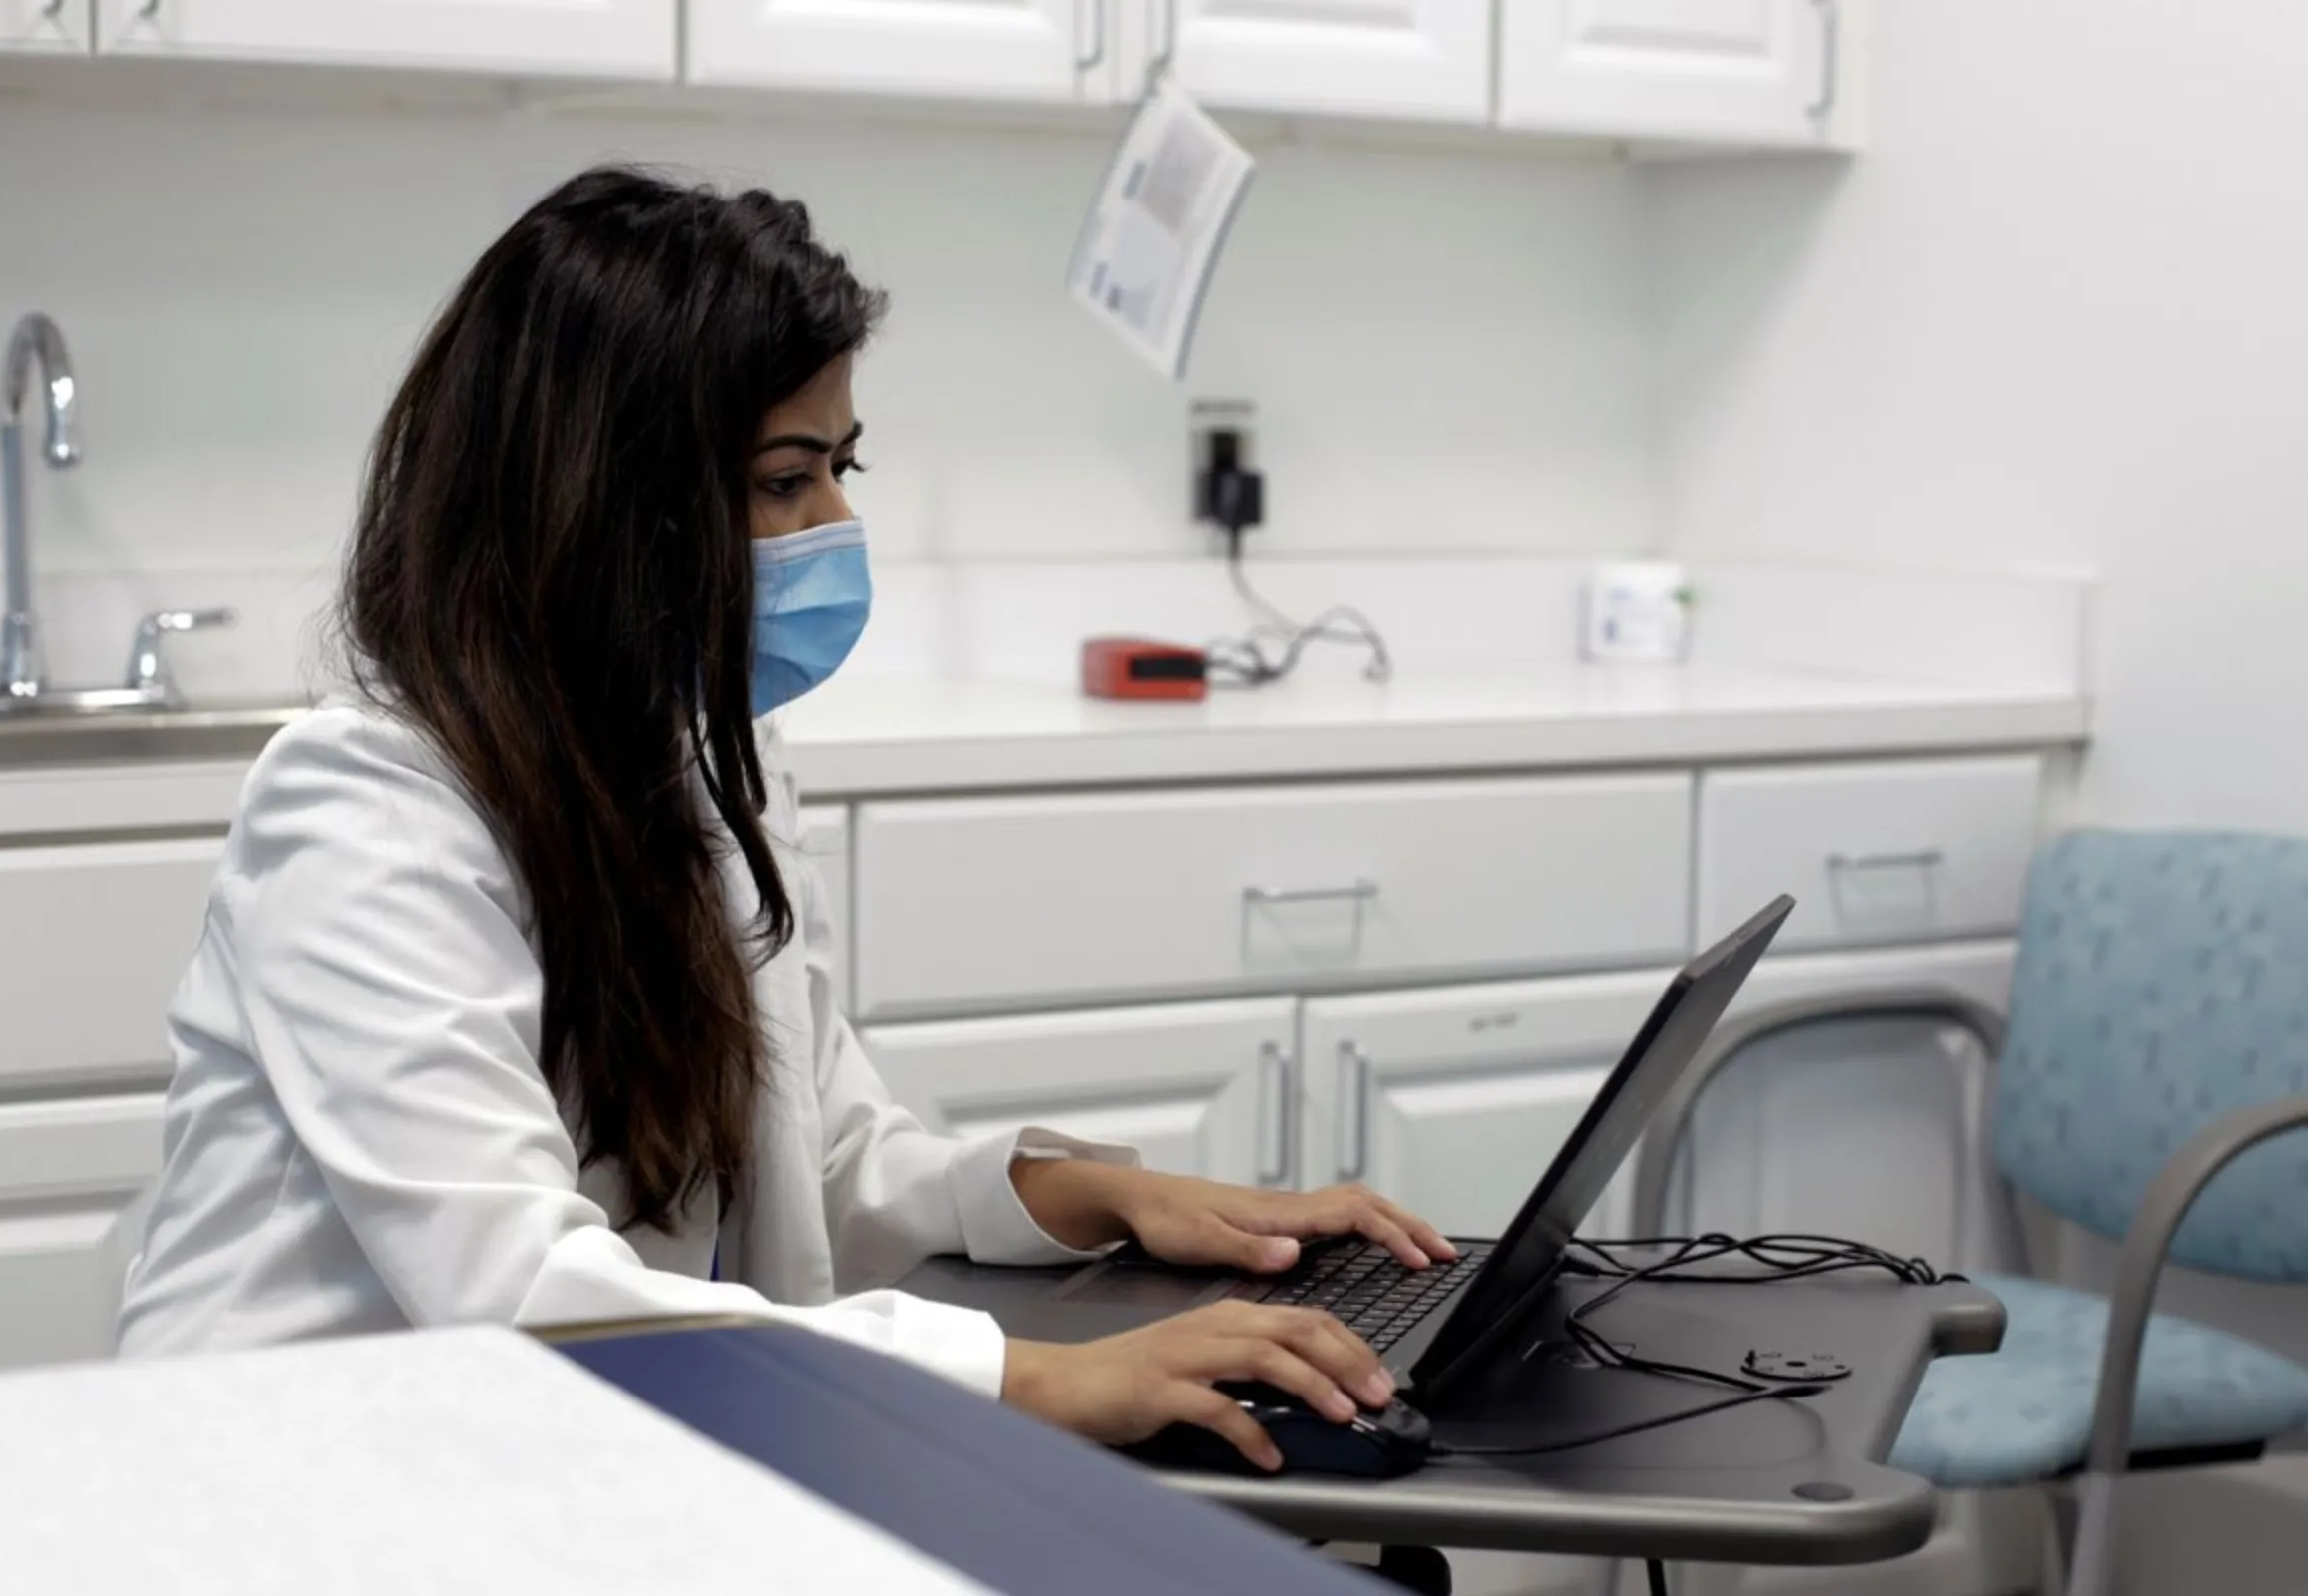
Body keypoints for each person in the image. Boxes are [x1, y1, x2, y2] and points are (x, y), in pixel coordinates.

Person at [116, 166, 1455, 1471]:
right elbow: (521, 1294)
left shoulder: (703, 761)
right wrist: (1038, 1381)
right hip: (301, 1495)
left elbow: (824, 1167)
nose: (835, 524)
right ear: (606, 502)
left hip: (565, 1460)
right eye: (783, 481)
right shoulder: (369, 808)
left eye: (840, 468)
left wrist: (1095, 1198)